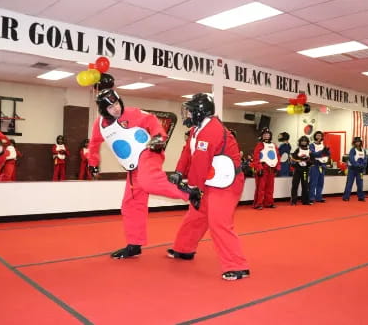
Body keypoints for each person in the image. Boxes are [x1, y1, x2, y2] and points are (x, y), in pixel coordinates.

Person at [87, 89, 201, 259]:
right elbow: (94, 145)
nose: (117, 109)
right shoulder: (99, 126)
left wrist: (158, 136)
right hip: (133, 166)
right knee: (130, 204)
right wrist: (93, 163)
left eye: (117, 104)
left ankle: (189, 193)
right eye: (111, 108)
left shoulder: (131, 113)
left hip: (148, 153)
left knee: (149, 182)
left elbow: (151, 120)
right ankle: (134, 245)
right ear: (104, 111)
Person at [167, 93, 249, 281]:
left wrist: (194, 187)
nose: (187, 115)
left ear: (200, 112)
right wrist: (179, 172)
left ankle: (237, 266)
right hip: (211, 179)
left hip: (227, 182)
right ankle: (184, 249)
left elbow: (201, 162)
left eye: (190, 111)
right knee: (196, 215)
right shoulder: (197, 129)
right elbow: (188, 151)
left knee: (219, 222)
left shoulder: (211, 130)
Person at [252, 128, 280, 209]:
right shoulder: (259, 145)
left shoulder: (274, 145)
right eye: (265, 134)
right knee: (261, 187)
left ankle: (269, 202)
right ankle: (258, 204)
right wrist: (259, 168)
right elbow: (256, 157)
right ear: (262, 136)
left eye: (268, 134)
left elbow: (277, 156)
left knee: (270, 187)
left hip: (271, 168)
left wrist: (277, 167)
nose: (266, 136)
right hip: (263, 168)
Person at [342, 137, 368, 202]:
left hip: (360, 170)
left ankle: (361, 197)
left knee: (360, 184)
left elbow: (365, 159)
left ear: (360, 142)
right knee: (349, 183)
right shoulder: (352, 150)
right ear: (354, 143)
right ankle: (346, 197)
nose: (357, 143)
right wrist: (357, 165)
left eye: (359, 141)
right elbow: (351, 159)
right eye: (356, 142)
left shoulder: (363, 150)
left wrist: (363, 166)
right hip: (352, 169)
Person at [309, 131, 330, 203]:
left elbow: (327, 154)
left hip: (322, 165)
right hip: (315, 165)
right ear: (315, 136)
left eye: (320, 136)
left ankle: (318, 197)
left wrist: (327, 151)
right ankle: (311, 197)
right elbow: (313, 154)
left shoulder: (323, 145)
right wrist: (322, 152)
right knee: (313, 182)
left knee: (320, 182)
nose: (319, 137)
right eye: (317, 135)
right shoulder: (311, 145)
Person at [291, 136, 312, 205]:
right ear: (300, 142)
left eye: (305, 141)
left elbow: (312, 161)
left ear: (307, 142)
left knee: (305, 185)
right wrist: (299, 160)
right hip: (297, 170)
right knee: (295, 185)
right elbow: (292, 158)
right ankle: (293, 201)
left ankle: (305, 201)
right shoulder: (297, 149)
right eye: (302, 141)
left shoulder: (309, 150)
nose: (303, 142)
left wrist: (308, 161)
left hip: (305, 170)